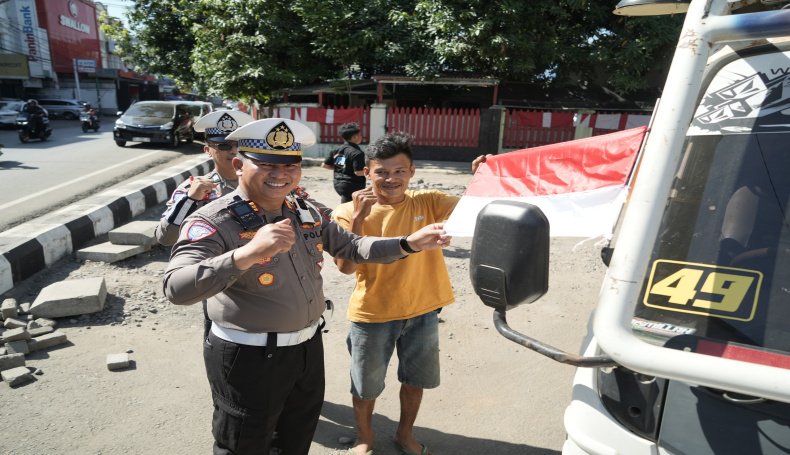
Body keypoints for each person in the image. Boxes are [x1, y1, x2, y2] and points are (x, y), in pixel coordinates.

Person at [162, 118, 451, 455]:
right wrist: (246, 254)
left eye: (290, 165)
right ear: (239, 166)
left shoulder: (304, 210)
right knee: (245, 443)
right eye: (267, 164)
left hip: (307, 349)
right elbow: (176, 287)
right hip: (249, 356)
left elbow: (352, 246)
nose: (280, 174)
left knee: (297, 437)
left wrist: (408, 243)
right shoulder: (214, 220)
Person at [332, 133, 486, 455]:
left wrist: (481, 178)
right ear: (367, 173)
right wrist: (359, 218)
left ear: (412, 171)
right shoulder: (346, 212)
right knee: (365, 386)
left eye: (399, 171)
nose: (391, 179)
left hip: (423, 311)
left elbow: (476, 211)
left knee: (415, 380)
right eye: (382, 172)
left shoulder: (427, 201)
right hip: (373, 314)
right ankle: (364, 437)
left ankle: (404, 434)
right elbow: (345, 267)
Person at [155, 110, 255, 247]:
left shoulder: (264, 183)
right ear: (208, 150)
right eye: (224, 145)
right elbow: (165, 238)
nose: (233, 150)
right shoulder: (193, 189)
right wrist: (190, 200)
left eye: (238, 145)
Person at [323, 122, 366, 203]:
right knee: (350, 208)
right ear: (354, 137)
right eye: (360, 135)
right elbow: (358, 172)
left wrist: (342, 167)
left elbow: (325, 165)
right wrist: (371, 172)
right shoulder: (357, 153)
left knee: (347, 205)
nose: (361, 137)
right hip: (353, 185)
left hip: (338, 184)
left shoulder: (337, 150)